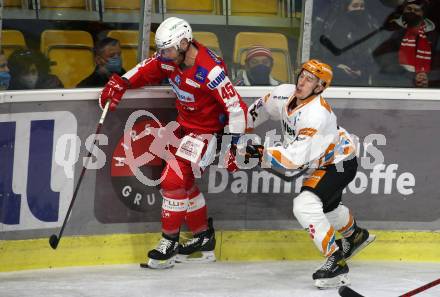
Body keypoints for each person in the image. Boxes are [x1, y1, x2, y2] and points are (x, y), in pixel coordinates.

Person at [98, 17, 248, 269]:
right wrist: (121, 82)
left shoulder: (210, 71)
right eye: (162, 50)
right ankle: (203, 237)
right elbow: (149, 68)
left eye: (167, 50)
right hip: (185, 127)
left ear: (184, 43)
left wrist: (235, 146)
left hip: (207, 133)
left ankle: (169, 243)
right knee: (183, 184)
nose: (163, 56)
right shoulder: (171, 58)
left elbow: (236, 109)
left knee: (173, 180)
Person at [242, 59, 375, 289]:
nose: (302, 81)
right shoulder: (284, 93)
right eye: (302, 75)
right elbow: (256, 112)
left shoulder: (317, 115)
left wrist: (258, 152)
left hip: (339, 163)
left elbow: (294, 160)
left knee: (305, 205)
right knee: (328, 208)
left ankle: (336, 261)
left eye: (310, 79)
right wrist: (235, 135)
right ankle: (356, 236)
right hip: (322, 160)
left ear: (320, 87)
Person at [373, 0, 438, 87]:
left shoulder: (433, 35)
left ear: (423, 14)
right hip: (401, 83)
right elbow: (383, 59)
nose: (412, 12)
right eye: (409, 9)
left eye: (417, 10)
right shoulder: (395, 36)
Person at [319, 0, 381, 86]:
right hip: (336, 84)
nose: (359, 9)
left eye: (362, 6)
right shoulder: (333, 29)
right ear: (346, 8)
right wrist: (338, 67)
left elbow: (377, 59)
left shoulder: (371, 27)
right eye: (355, 6)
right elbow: (322, 58)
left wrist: (362, 71)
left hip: (364, 85)